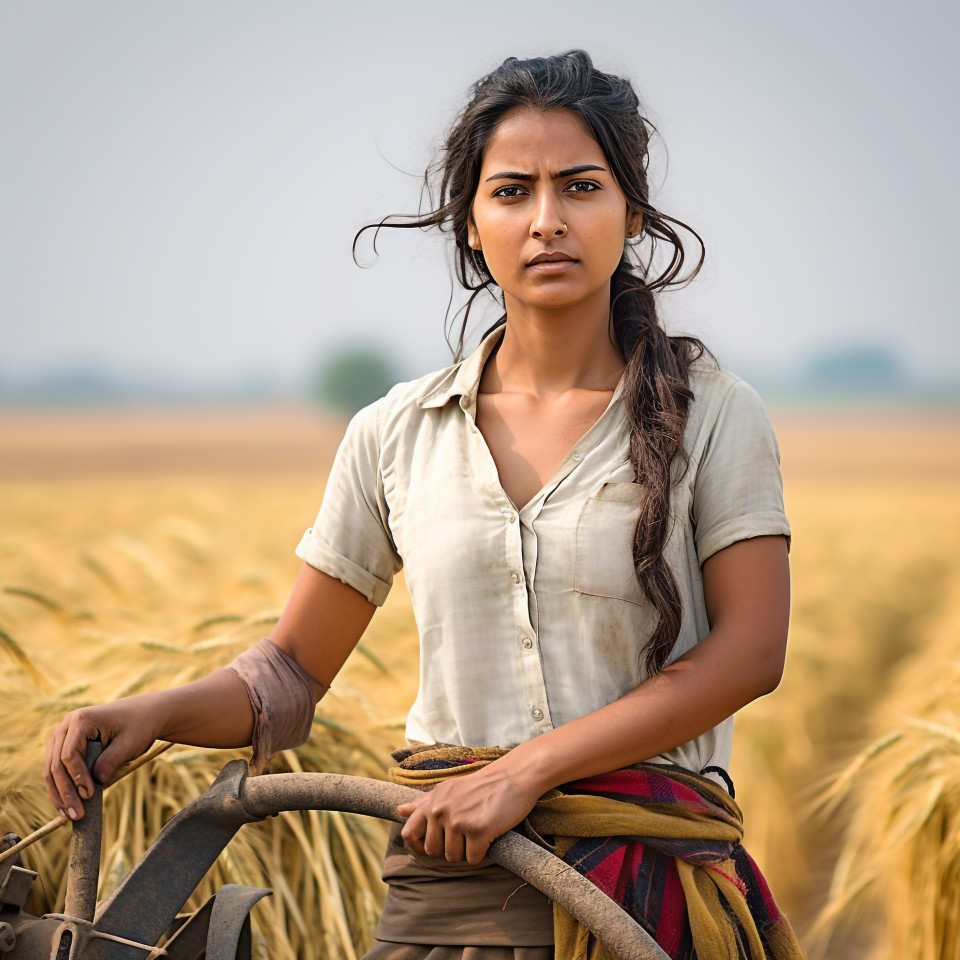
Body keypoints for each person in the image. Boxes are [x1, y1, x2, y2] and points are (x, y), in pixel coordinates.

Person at [43, 50, 799, 959]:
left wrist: (525, 773)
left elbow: (751, 652)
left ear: (630, 211)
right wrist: (157, 714)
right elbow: (288, 676)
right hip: (448, 897)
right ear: (471, 224)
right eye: (513, 192)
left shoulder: (713, 412)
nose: (548, 220)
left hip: (644, 901)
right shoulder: (396, 431)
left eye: (581, 187)